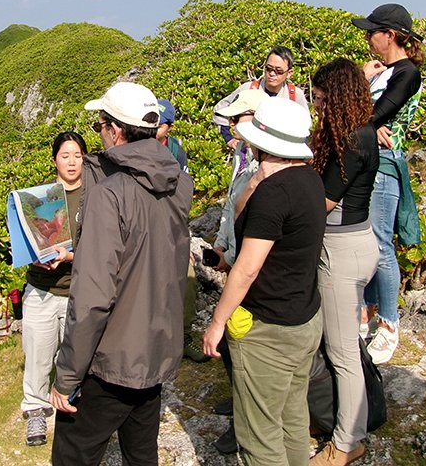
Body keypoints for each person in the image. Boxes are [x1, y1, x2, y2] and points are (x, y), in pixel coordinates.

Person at [49, 82, 194, 466]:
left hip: (111, 358)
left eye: (100, 125)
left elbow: (94, 296)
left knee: (74, 452)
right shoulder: (180, 182)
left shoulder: (108, 195)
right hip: (155, 348)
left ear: (115, 131)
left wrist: (67, 375)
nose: (98, 132)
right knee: (141, 451)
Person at [203, 97, 325, 466]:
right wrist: (254, 181)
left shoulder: (274, 193)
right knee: (291, 415)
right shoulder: (309, 179)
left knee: (259, 434)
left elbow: (247, 267)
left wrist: (217, 322)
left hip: (268, 328)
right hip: (304, 317)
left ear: (261, 143)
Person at [308, 59, 380, 465]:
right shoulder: (358, 133)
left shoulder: (353, 141)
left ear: (335, 98)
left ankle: (348, 442)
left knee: (342, 352)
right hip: (354, 243)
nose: (316, 105)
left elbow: (324, 202)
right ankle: (330, 417)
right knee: (337, 342)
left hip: (341, 251)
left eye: (320, 98)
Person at [352, 3, 425, 365]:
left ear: (390, 36)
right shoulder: (385, 71)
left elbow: (377, 116)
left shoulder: (407, 73)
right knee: (365, 240)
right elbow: (366, 120)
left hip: (384, 166)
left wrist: (365, 109)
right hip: (368, 162)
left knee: (380, 244)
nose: (368, 38)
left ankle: (389, 324)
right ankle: (365, 312)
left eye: (372, 32)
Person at [209, 88, 267, 454]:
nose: (231, 125)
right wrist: (220, 244)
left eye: (239, 118)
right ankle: (237, 400)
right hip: (234, 255)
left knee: (246, 346)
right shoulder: (243, 155)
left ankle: (244, 425)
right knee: (235, 346)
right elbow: (232, 204)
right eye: (231, 119)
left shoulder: (264, 165)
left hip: (252, 265)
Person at [21, 131, 87, 446]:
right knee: (37, 353)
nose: (71, 162)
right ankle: (35, 409)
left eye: (77, 155)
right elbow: (29, 241)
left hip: (79, 290)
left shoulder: (96, 197)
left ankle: (72, 400)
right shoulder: (44, 197)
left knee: (74, 355)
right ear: (55, 160)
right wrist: (35, 258)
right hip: (42, 289)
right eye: (65, 155)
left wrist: (71, 256)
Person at [157, 98, 209, 364]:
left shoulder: (176, 151)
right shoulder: (136, 147)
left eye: (160, 123)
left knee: (186, 281)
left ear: (170, 126)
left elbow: (182, 197)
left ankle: (184, 336)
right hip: (147, 229)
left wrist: (181, 236)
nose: (155, 126)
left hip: (173, 227)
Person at [213, 46, 309, 151]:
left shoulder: (295, 95)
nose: (272, 74)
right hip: (248, 152)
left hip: (281, 154)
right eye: (268, 68)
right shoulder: (248, 88)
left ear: (289, 73)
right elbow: (220, 110)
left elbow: (304, 128)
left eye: (278, 71)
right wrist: (229, 138)